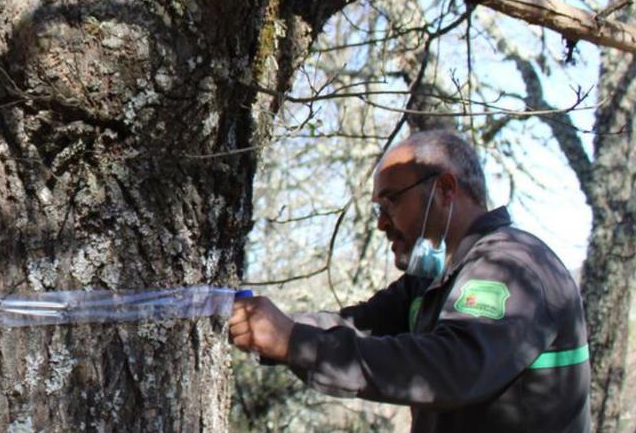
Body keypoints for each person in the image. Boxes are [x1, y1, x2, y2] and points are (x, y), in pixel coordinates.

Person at [228, 129, 590, 432]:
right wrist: (269, 328)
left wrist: (293, 342)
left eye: (391, 203)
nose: (381, 223)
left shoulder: (512, 266)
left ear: (446, 190)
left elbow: (450, 368)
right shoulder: (435, 278)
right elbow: (360, 326)